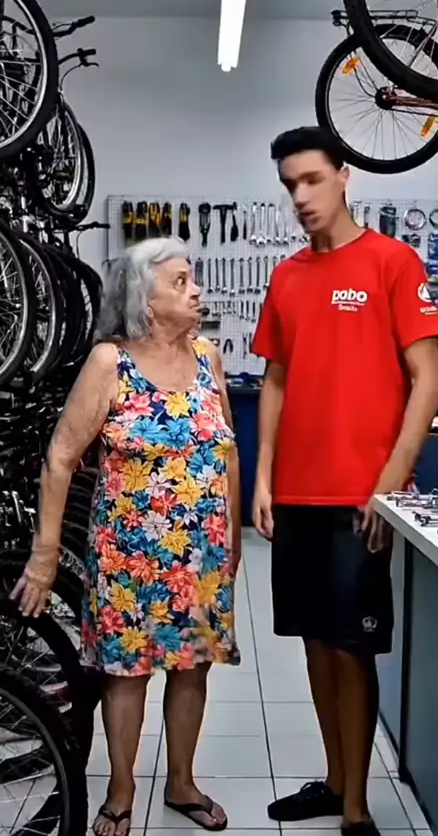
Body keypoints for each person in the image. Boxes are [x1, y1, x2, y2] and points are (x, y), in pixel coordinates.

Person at [251, 127, 438, 836]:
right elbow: (275, 380)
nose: (300, 195)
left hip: (359, 496)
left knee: (351, 646)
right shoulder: (287, 276)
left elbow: (428, 379)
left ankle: (357, 808)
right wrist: (263, 477)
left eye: (311, 179)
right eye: (290, 184)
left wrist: (388, 484)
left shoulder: (392, 261)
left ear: (343, 176)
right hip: (297, 492)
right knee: (313, 639)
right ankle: (336, 781)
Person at [12, 237, 241, 836]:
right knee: (127, 672)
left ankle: (182, 782)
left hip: (202, 554)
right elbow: (61, 458)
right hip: (129, 555)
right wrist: (43, 556)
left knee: (193, 667)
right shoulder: (110, 363)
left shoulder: (209, 356)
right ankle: (120, 790)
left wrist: (234, 538)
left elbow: (228, 451)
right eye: (181, 281)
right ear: (144, 296)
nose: (196, 290)